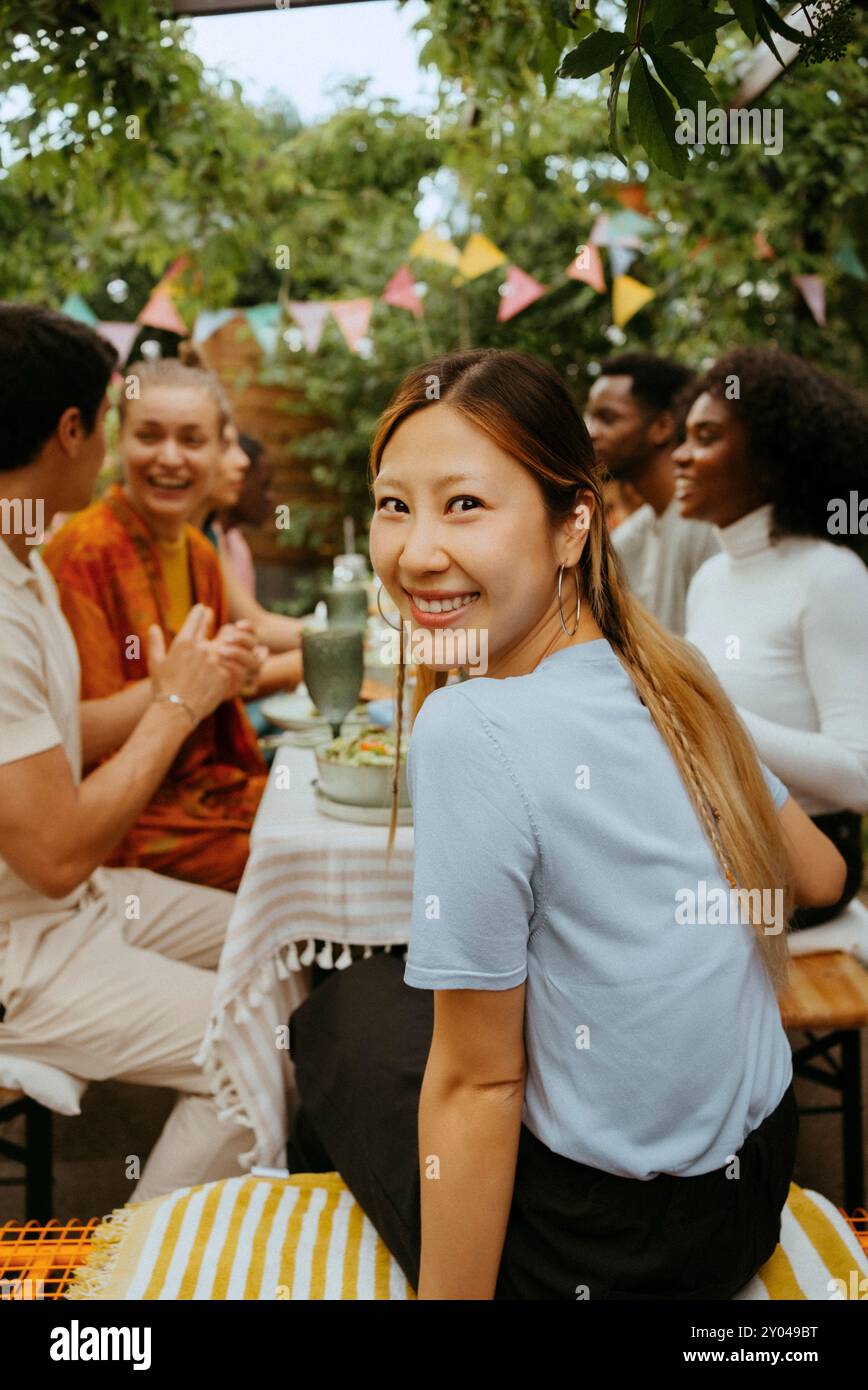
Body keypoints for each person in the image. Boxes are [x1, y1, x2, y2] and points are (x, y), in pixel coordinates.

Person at [284, 348, 846, 1301]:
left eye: (466, 505)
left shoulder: (470, 727)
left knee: (333, 1015)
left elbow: (481, 1088)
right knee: (394, 998)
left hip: (608, 1248)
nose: (417, 552)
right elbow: (821, 876)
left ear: (571, 522)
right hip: (751, 1187)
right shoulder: (672, 672)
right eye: (394, 504)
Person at [0, 303, 260, 1200]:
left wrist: (178, 689)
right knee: (256, 1051)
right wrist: (177, 703)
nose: (131, 452)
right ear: (73, 429)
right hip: (18, 951)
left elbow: (59, 732)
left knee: (281, 940)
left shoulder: (23, 555)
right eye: (123, 424)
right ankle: (134, 1283)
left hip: (72, 907)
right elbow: (57, 853)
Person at [43, 355, 268, 893]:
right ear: (120, 445)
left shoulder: (199, 552)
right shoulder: (84, 552)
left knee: (311, 813)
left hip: (199, 788)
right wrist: (180, 686)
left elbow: (207, 698)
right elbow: (66, 733)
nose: (170, 458)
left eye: (192, 440)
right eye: (149, 436)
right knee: (287, 865)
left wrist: (230, 673)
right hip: (120, 814)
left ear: (219, 452)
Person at [676, 347, 868, 929]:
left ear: (771, 459)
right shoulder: (711, 576)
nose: (681, 456)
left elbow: (860, 776)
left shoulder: (830, 575)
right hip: (710, 844)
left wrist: (710, 713)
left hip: (801, 859)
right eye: (684, 436)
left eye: (706, 437)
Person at [584, 351, 719, 636]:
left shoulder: (708, 526)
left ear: (662, 427)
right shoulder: (628, 538)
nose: (590, 432)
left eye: (607, 418)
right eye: (590, 417)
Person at [192, 418, 304, 698]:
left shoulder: (210, 538)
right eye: (225, 445)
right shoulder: (199, 539)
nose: (241, 462)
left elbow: (255, 624)